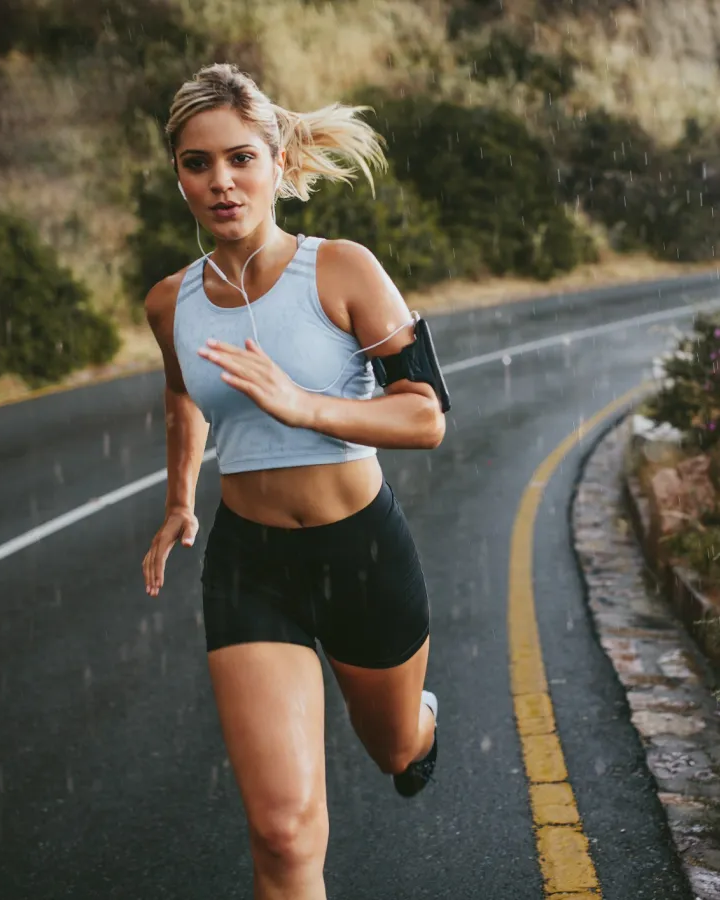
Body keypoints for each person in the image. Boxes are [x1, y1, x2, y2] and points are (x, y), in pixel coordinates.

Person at [141, 62, 444, 900]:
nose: (221, 181)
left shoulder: (343, 270)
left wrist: (305, 405)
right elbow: (181, 392)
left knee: (391, 750)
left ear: (277, 161)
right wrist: (178, 500)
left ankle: (422, 727)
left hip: (362, 554)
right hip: (251, 569)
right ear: (179, 176)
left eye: (240, 158)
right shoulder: (171, 302)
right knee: (281, 831)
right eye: (198, 164)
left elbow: (425, 417)